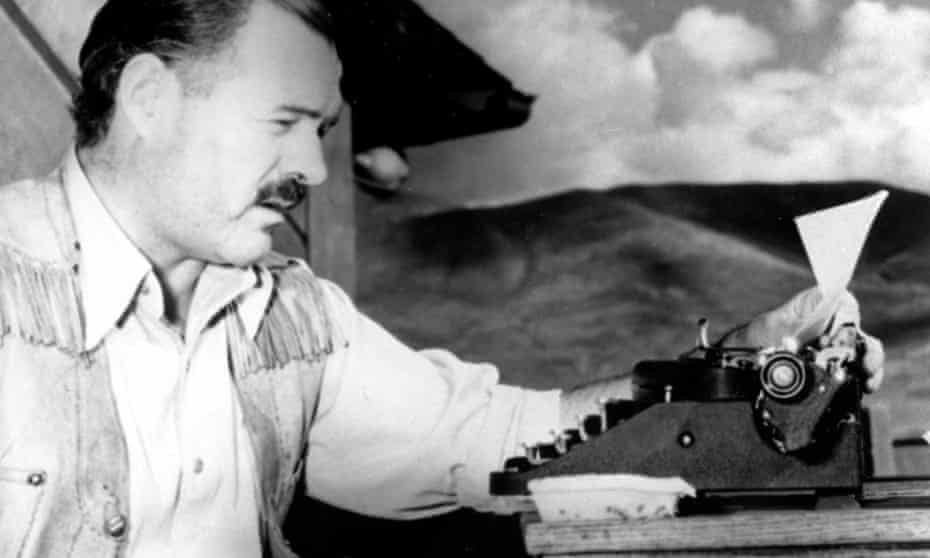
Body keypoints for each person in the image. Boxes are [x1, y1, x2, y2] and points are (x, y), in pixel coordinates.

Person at [0, 0, 883, 557]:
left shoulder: (294, 316)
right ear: (150, 98)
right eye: (285, 121)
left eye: (323, 128)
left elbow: (503, 437)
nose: (312, 165)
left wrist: (726, 373)